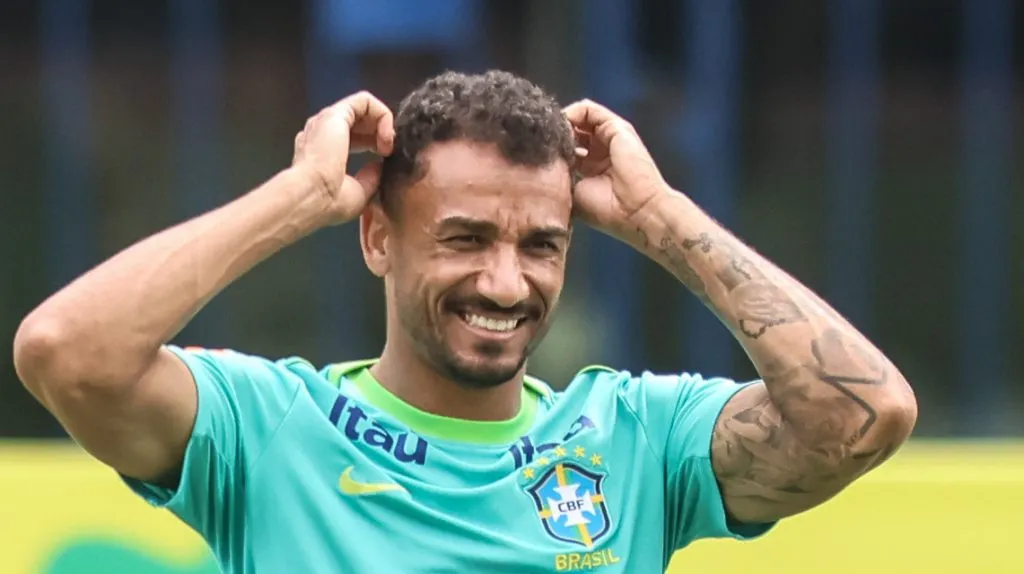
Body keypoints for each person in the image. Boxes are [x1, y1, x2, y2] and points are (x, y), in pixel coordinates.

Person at [14, 70, 917, 573]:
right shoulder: (266, 429)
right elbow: (68, 353)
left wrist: (662, 220)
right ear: (377, 239)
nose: (504, 280)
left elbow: (863, 415)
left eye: (543, 246)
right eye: (465, 238)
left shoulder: (637, 438)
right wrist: (297, 199)